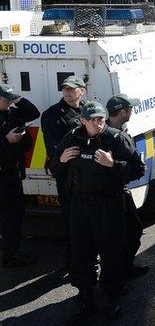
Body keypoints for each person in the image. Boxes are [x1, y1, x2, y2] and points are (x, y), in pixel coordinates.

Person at [51, 101, 144, 324]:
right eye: (92, 119)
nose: (98, 123)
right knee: (81, 252)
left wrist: (113, 164)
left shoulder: (116, 138)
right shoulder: (71, 138)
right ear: (82, 120)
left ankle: (112, 296)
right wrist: (61, 160)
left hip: (107, 204)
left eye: (101, 118)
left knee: (111, 250)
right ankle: (85, 297)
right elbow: (54, 168)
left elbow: (138, 169)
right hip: (79, 205)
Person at [41, 75, 87, 268]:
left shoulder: (89, 109)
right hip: (68, 173)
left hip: (89, 173)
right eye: (65, 89)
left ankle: (88, 254)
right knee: (72, 218)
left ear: (81, 90)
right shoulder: (53, 114)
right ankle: (74, 259)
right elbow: (55, 148)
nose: (67, 92)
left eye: (71, 89)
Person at [105, 94, 150, 278]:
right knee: (130, 231)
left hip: (108, 193)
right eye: (130, 108)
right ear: (123, 111)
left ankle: (121, 268)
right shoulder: (116, 136)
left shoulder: (103, 131)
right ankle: (122, 271)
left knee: (123, 232)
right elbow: (138, 170)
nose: (132, 111)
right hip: (115, 193)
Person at [0, 84, 40, 267]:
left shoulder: (12, 113)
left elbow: (33, 112)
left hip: (12, 172)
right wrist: (5, 140)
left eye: (11, 99)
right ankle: (10, 254)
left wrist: (17, 99)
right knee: (8, 215)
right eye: (5, 98)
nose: (9, 102)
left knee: (14, 214)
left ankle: (11, 250)